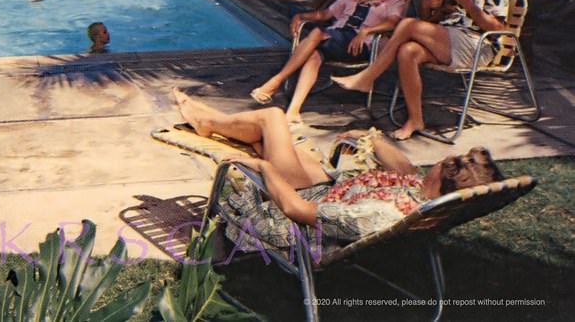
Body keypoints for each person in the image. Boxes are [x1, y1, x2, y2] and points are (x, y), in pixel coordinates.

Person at [173, 89, 503, 247]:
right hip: (326, 189)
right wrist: (368, 137)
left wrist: (261, 167)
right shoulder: (418, 199)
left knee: (272, 118)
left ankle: (207, 121)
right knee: (268, 137)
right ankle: (210, 119)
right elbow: (405, 167)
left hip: (300, 201)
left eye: (444, 163)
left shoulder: (377, 214)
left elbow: (294, 209)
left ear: (443, 172)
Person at [334, 0, 509, 140]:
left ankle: (368, 77)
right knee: (408, 51)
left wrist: (468, 4)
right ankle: (415, 119)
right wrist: (430, 7)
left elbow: (499, 29)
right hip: (447, 41)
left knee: (408, 24)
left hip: (477, 45)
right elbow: (430, 23)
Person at [249, 0, 410, 123]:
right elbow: (327, 14)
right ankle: (294, 111)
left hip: (361, 44)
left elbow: (394, 22)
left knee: (317, 33)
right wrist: (301, 16)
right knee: (314, 56)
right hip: (338, 36)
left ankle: (276, 81)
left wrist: (367, 31)